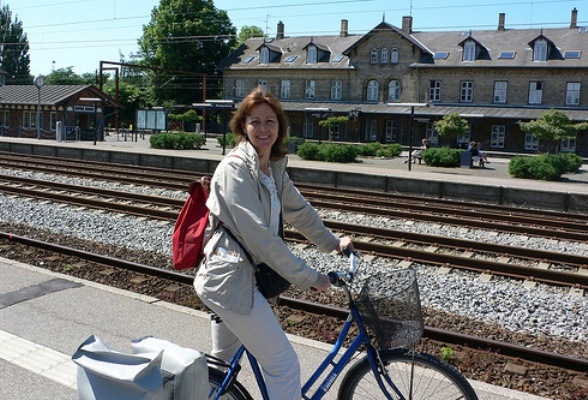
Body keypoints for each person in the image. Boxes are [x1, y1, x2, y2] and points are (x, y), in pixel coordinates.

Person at [193, 87, 353, 400]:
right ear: (243, 126)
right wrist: (311, 278)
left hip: (240, 276)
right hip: (229, 282)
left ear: (280, 126)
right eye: (255, 122)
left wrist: (333, 243)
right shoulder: (234, 170)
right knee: (284, 365)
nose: (263, 128)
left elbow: (300, 212)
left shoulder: (272, 166)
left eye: (270, 121)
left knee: (219, 369)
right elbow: (261, 239)